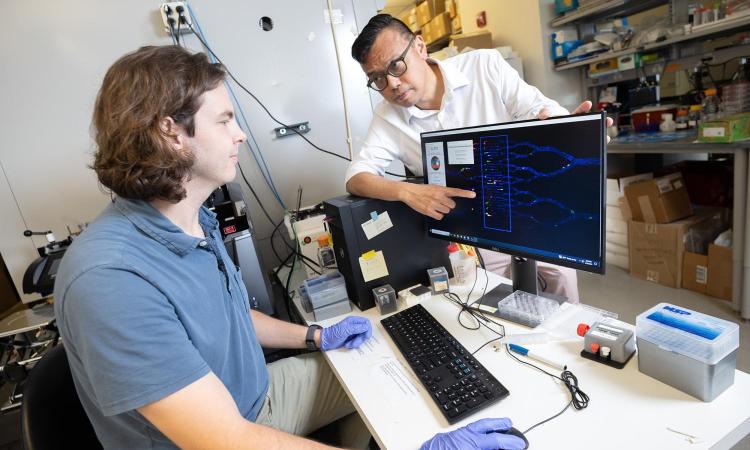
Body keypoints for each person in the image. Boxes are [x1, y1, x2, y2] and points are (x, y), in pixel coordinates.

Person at [53, 45, 525, 450]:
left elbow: (231, 315)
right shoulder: (111, 279)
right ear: (170, 133)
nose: (239, 134)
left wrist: (316, 337)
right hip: (230, 434)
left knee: (394, 371)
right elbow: (228, 441)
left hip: (257, 396)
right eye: (224, 121)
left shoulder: (190, 219)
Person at [345, 15, 613, 302]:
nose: (392, 84)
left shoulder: (483, 66)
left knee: (562, 300)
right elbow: (355, 177)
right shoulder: (388, 117)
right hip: (471, 236)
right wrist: (406, 191)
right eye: (377, 78)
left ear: (420, 47)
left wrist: (574, 133)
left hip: (530, 212)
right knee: (490, 311)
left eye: (396, 65)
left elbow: (539, 109)